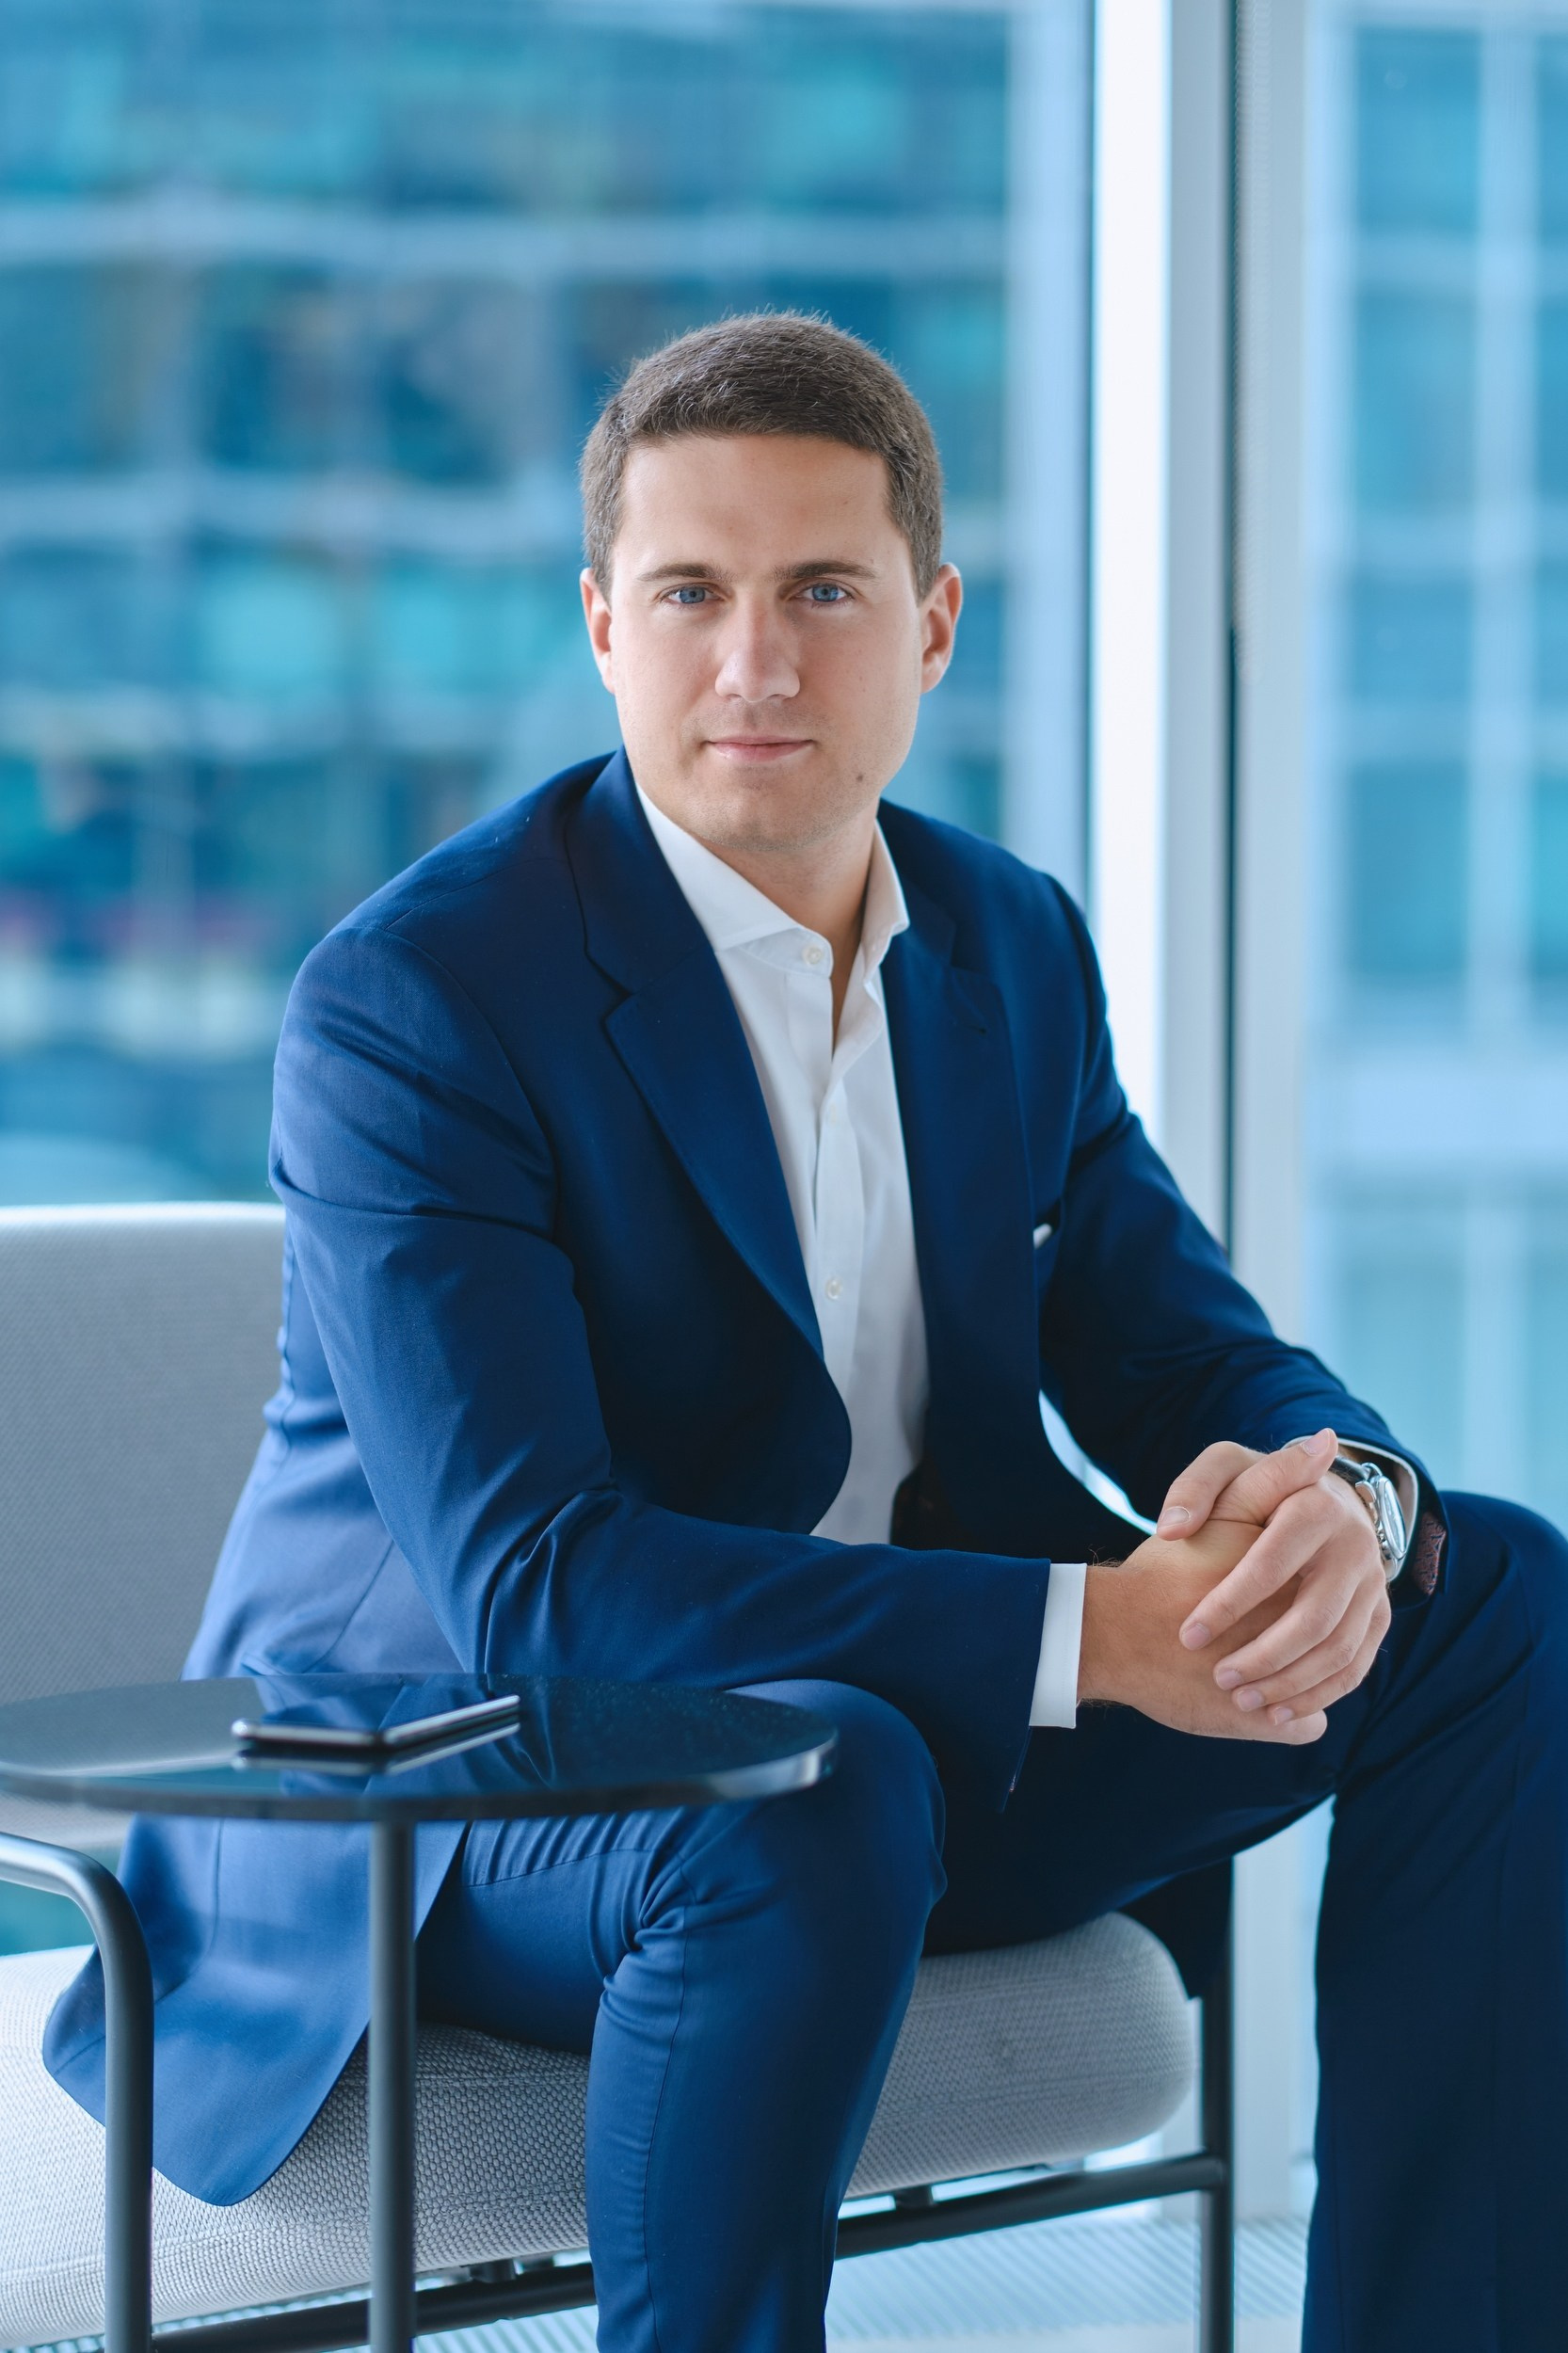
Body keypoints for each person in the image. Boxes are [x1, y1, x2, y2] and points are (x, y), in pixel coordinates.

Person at [46, 313, 1568, 2353]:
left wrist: (1342, 1506)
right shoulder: (420, 1000)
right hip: (457, 1796)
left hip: (901, 1738)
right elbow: (538, 1584)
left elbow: (1178, 1349)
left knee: (1486, 1590)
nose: (754, 663)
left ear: (930, 627)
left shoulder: (1006, 939)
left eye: (824, 593)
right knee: (812, 1776)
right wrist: (1093, 1634)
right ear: (602, 626)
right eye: (690, 592)